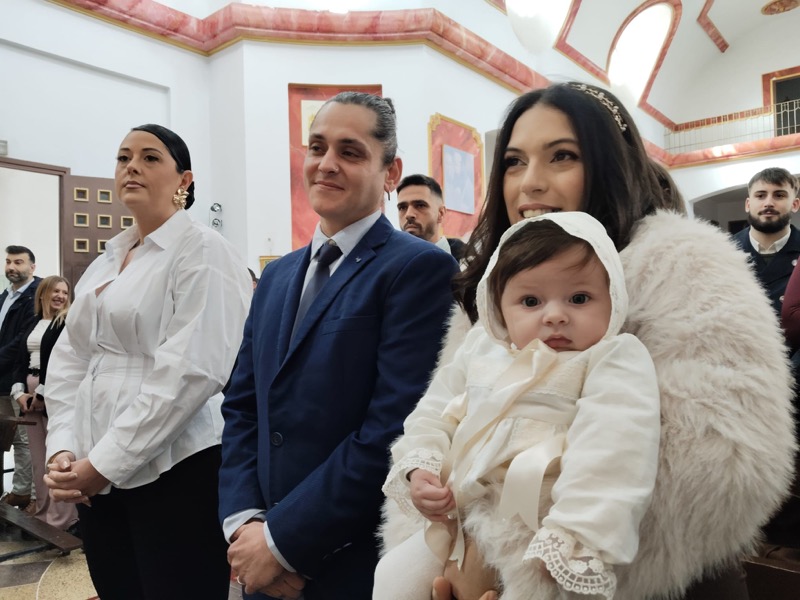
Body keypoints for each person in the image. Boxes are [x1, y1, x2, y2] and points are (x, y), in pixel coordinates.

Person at [379, 82, 796, 600]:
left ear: (609, 164)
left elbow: (712, 464)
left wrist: (517, 568)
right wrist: (442, 511)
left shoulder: (684, 275)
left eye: (562, 156)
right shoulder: (497, 294)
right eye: (513, 162)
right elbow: (447, 414)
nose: (530, 182)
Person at [219, 91, 459, 600]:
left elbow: (392, 427)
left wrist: (283, 542)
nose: (326, 164)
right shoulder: (277, 276)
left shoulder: (417, 268)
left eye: (350, 152)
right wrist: (245, 523)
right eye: (317, 147)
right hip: (259, 553)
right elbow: (242, 406)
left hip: (347, 561)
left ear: (390, 172)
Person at [378, 212, 660, 600]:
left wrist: (575, 532)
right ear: (498, 307)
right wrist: (421, 467)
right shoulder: (481, 349)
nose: (555, 315)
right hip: (462, 514)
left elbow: (616, 446)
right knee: (392, 577)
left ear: (613, 299)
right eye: (530, 301)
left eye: (579, 298)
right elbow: (434, 410)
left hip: (543, 523)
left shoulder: (612, 356)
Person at [43, 124, 252, 599]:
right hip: (92, 463)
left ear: (184, 180)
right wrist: (64, 447)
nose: (131, 167)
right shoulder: (108, 259)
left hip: (176, 464)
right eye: (123, 158)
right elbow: (72, 359)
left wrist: (105, 463)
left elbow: (192, 372)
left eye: (150, 157)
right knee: (117, 586)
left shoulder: (203, 250)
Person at [10, 275, 77, 530]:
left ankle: (64, 519)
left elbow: (66, 361)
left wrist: (41, 393)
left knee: (57, 456)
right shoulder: (32, 322)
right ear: (43, 294)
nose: (60, 296)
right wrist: (20, 393)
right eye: (55, 291)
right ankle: (43, 513)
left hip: (54, 391)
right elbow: (20, 360)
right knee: (38, 460)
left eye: (64, 292)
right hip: (28, 394)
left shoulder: (67, 322)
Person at [0, 245, 39, 510]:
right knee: (3, 437)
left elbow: (22, 340)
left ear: (32, 267)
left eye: (18, 262)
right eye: (8, 262)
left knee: (23, 440)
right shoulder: (6, 295)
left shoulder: (36, 296)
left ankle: (25, 494)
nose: (12, 267)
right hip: (1, 378)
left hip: (19, 379)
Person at [732, 167, 800, 317]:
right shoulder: (723, 250)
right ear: (748, 204)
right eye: (761, 196)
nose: (768, 203)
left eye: (779, 195)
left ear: (795, 204)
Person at [397, 174, 466, 259]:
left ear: (440, 213)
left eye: (420, 205)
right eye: (402, 207)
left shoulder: (471, 262)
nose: (408, 214)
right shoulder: (389, 262)